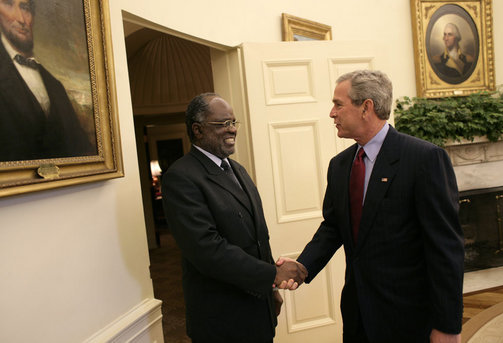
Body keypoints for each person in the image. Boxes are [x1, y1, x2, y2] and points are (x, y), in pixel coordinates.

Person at [279, 70, 464, 342]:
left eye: (338, 104)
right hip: (358, 315)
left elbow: (446, 249)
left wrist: (448, 326)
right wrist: (302, 265)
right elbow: (333, 228)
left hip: (409, 319)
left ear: (366, 107)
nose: (332, 113)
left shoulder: (423, 159)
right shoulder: (340, 165)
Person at [161, 93, 307, 343]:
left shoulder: (237, 169)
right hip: (222, 320)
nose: (232, 130)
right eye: (222, 124)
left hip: (257, 310)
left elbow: (256, 237)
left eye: (233, 122)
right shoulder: (181, 177)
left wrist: (269, 289)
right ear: (197, 130)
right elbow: (207, 250)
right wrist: (271, 275)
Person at [0, 0, 96, 161]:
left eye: (25, 8)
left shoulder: (55, 85)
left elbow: (81, 149)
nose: (21, 19)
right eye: (9, 4)